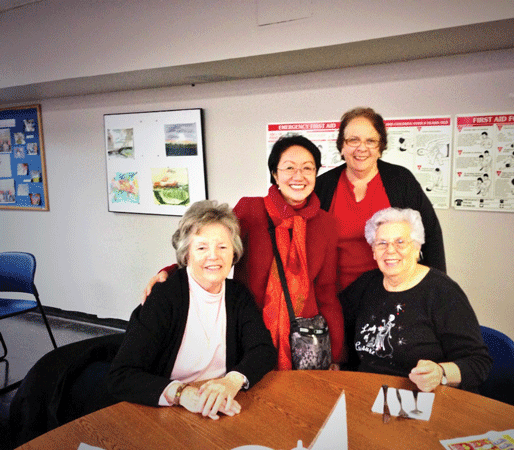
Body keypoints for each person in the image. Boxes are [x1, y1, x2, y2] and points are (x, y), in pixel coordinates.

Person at [143, 136, 343, 371]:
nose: (298, 176)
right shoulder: (251, 209)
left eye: (307, 168)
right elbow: (212, 246)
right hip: (250, 327)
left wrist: (335, 355)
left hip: (304, 339)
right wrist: (170, 271)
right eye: (289, 167)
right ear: (275, 174)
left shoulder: (326, 224)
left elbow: (327, 290)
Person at [107, 200, 276, 419]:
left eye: (222, 247)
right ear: (186, 254)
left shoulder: (238, 296)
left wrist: (232, 381)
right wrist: (182, 393)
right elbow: (121, 375)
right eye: (202, 247)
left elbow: (263, 349)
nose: (213, 256)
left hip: (220, 407)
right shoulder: (164, 297)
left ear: (234, 253)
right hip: (166, 412)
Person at [340, 207, 491, 393]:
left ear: (417, 247)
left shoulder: (442, 291)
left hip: (424, 399)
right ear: (373, 251)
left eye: (400, 242)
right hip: (369, 394)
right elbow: (335, 319)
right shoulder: (366, 285)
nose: (390, 250)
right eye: (382, 243)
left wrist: (441, 373)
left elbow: (478, 363)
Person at [314, 107, 446, 292]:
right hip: (337, 295)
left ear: (380, 147)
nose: (362, 148)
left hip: (394, 291)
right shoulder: (323, 186)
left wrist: (437, 290)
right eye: (353, 140)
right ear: (342, 146)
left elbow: (431, 235)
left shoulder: (401, 180)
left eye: (371, 141)